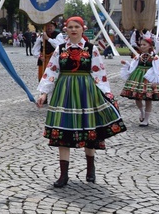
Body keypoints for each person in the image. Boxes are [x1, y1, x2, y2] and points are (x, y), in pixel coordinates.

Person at [35, 16, 126, 187]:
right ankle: (63, 175)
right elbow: (52, 71)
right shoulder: (60, 49)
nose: (73, 29)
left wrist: (107, 94)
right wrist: (43, 93)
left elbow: (99, 73)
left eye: (77, 26)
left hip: (86, 92)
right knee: (63, 131)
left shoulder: (92, 49)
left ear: (83, 29)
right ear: (66, 30)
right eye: (70, 27)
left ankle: (90, 168)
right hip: (64, 92)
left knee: (88, 129)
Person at [120, 33, 159, 127]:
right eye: (141, 45)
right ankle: (142, 112)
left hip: (148, 78)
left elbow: (158, 69)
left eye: (144, 45)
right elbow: (132, 66)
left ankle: (146, 119)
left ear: (150, 46)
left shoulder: (155, 57)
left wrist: (156, 81)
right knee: (137, 97)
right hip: (137, 77)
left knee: (148, 99)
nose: (142, 46)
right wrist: (126, 64)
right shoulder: (138, 56)